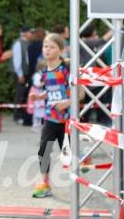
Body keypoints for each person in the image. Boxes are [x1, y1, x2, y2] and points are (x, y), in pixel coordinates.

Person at [29, 33, 83, 198]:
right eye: (46, 46)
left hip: (67, 120)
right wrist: (40, 96)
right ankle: (45, 184)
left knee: (69, 155)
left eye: (52, 47)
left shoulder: (66, 69)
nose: (47, 49)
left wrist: (68, 102)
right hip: (50, 118)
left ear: (60, 50)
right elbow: (52, 90)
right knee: (43, 151)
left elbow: (80, 93)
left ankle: (84, 158)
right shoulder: (45, 71)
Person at [80, 25, 113, 125]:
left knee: (95, 96)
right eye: (94, 31)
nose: (96, 32)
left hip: (92, 74)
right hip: (86, 74)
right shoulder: (85, 42)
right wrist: (113, 30)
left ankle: (89, 118)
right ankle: (83, 118)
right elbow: (102, 40)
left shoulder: (88, 43)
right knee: (91, 97)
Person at [9, 25, 34, 124]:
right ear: (26, 33)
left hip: (25, 72)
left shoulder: (27, 43)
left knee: (24, 94)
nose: (32, 34)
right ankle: (17, 115)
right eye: (30, 32)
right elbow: (17, 61)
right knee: (19, 95)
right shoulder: (19, 43)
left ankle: (22, 114)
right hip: (21, 73)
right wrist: (20, 75)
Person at [28, 60, 47, 133]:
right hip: (36, 92)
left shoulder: (42, 75)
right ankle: (35, 124)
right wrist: (44, 82)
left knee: (41, 109)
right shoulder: (37, 76)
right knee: (36, 109)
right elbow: (37, 86)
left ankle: (39, 124)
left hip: (40, 93)